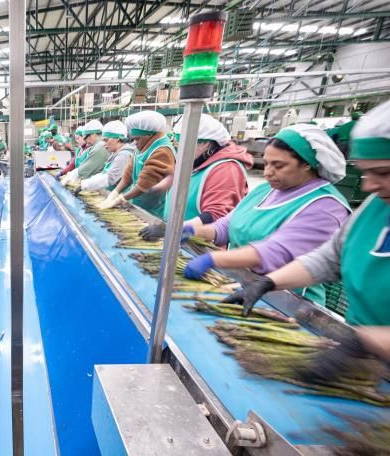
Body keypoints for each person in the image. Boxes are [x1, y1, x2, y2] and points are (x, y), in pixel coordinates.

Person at [224, 101, 390, 382]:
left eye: (383, 173)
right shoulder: (375, 207)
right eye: (365, 172)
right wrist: (269, 283)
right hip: (361, 364)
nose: (368, 185)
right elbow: (328, 259)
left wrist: (366, 341)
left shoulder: (326, 205)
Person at [182, 124, 351, 307]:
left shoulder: (326, 207)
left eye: (279, 166)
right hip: (241, 286)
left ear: (306, 164)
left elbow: (276, 252)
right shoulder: (265, 190)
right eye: (267, 163)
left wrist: (213, 259)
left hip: (286, 303)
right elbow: (227, 225)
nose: (267, 172)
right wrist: (192, 231)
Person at [139, 114, 251, 240]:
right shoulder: (195, 159)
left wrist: (170, 229)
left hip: (197, 245)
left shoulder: (226, 169)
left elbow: (216, 216)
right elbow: (178, 176)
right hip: (177, 239)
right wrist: (155, 189)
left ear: (205, 143)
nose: (179, 148)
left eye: (183, 144)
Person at [99, 111, 176, 216]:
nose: (134, 142)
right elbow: (128, 174)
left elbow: (145, 184)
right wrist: (115, 192)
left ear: (149, 135)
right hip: (138, 203)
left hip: (154, 209)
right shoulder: (142, 145)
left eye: (137, 139)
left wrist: (122, 198)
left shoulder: (162, 151)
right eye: (133, 139)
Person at [78, 120, 135, 192]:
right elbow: (104, 173)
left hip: (119, 196)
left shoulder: (123, 155)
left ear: (117, 138)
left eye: (106, 140)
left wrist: (87, 184)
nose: (104, 144)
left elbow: (110, 177)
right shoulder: (115, 154)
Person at [61, 120, 109, 186]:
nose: (86, 142)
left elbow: (87, 168)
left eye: (85, 138)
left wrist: (70, 177)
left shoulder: (99, 147)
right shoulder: (96, 146)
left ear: (93, 134)